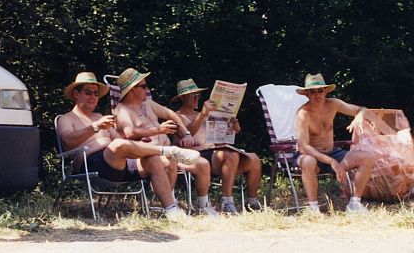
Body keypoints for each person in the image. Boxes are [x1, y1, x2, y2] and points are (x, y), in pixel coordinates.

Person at [57, 71, 199, 219]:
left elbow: (119, 139)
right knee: (119, 145)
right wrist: (94, 127)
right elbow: (68, 141)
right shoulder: (66, 119)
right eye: (88, 92)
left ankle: (172, 211)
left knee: (154, 160)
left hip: (118, 162)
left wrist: (137, 144)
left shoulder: (99, 117)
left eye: (96, 93)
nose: (93, 97)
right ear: (76, 94)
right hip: (93, 165)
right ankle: (169, 150)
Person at [114, 68, 219, 216]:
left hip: (170, 152)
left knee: (203, 164)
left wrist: (186, 133)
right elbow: (129, 133)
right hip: (147, 156)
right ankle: (171, 204)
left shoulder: (148, 104)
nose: (147, 89)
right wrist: (158, 130)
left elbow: (171, 114)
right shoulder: (122, 110)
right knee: (170, 161)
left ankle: (204, 205)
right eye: (143, 86)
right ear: (132, 90)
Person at [173, 79, 263, 213]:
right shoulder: (176, 116)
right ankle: (227, 201)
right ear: (182, 97)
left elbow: (217, 140)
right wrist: (203, 114)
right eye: (192, 95)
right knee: (230, 154)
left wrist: (231, 129)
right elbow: (187, 133)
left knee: (254, 159)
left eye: (198, 94)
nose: (196, 98)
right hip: (195, 156)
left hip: (214, 154)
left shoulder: (204, 115)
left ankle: (252, 202)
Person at [294, 73, 377, 214]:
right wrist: (332, 162)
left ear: (325, 91)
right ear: (306, 94)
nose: (317, 95)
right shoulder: (303, 114)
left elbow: (362, 109)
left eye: (320, 90)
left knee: (367, 157)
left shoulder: (333, 104)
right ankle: (313, 208)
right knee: (307, 161)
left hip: (332, 152)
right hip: (312, 155)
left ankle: (355, 204)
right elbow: (303, 147)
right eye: (312, 92)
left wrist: (359, 117)